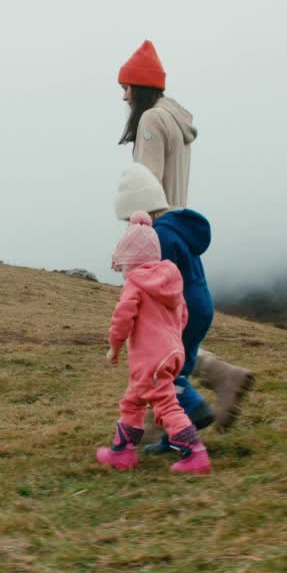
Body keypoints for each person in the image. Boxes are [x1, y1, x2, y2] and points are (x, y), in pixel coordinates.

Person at [116, 40, 256, 429]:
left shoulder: (150, 122)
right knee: (175, 327)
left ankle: (181, 412)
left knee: (152, 334)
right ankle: (217, 378)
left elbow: (145, 186)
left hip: (158, 238)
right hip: (180, 230)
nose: (124, 97)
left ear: (141, 87)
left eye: (127, 88)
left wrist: (135, 243)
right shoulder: (174, 120)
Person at [96, 211, 211, 475]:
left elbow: (122, 317)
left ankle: (195, 453)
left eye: (123, 266)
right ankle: (121, 452)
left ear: (132, 262)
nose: (123, 273)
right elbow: (183, 314)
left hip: (150, 360)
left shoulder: (135, 284)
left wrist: (114, 346)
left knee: (166, 406)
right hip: (170, 352)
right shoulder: (170, 280)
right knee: (133, 401)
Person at [114, 163, 215, 453]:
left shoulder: (158, 236)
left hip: (182, 310)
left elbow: (155, 281)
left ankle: (194, 409)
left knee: (165, 373)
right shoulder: (178, 228)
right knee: (180, 364)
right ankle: (173, 439)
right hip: (202, 304)